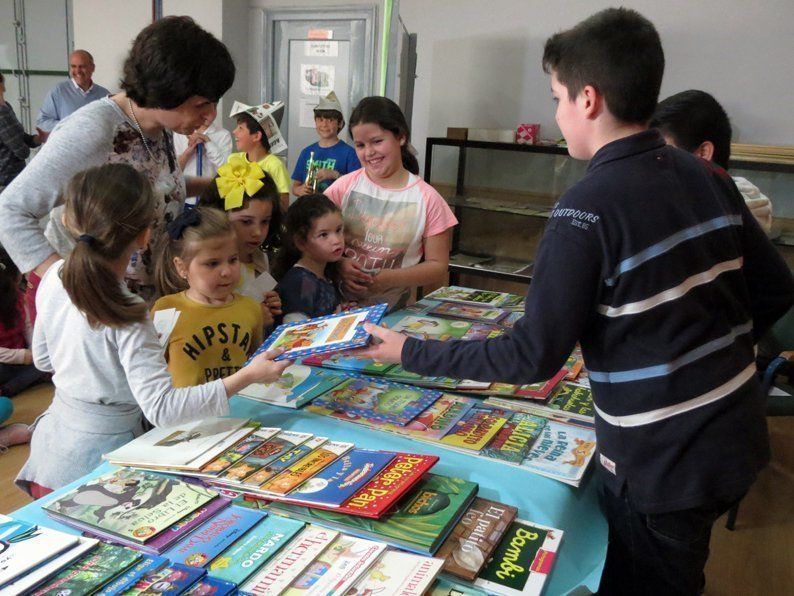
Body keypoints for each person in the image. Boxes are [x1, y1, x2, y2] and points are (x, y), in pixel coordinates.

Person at [355, 8, 794, 595]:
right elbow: (773, 288)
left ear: (588, 99)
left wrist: (411, 351)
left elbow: (531, 356)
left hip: (660, 461)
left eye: (557, 96)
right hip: (733, 433)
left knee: (650, 578)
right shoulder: (705, 175)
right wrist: (703, 355)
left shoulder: (584, 209)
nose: (556, 112)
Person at [17, 164, 290, 497]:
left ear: (68, 220)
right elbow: (162, 409)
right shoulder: (128, 311)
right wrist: (247, 376)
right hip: (96, 468)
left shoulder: (55, 275)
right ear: (146, 235)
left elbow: (45, 360)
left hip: (51, 452)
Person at [0, 16, 235, 304]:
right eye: (201, 104)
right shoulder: (95, 130)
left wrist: (218, 184)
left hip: (144, 304)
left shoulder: (158, 126)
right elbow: (9, 210)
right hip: (100, 314)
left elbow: (154, 189)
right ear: (164, 92)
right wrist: (65, 286)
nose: (209, 115)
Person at [324, 96, 457, 311]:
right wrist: (339, 265)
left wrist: (389, 278)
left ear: (401, 136)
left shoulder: (428, 200)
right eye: (360, 145)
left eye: (377, 141)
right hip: (333, 312)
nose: (369, 152)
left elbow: (438, 266)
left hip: (393, 314)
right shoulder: (342, 188)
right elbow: (308, 239)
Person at [153, 207, 264, 388]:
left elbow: (255, 364)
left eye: (233, 259)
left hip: (239, 412)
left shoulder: (252, 308)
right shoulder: (166, 309)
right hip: (187, 414)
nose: (227, 271)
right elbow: (151, 375)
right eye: (212, 263)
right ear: (181, 267)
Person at [651, 90, 773, 232]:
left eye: (661, 154)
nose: (649, 165)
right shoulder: (739, 205)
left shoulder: (707, 222)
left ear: (703, 153)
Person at [200, 155, 283, 326]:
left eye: (265, 221)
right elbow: (208, 318)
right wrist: (253, 316)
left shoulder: (260, 258)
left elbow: (254, 299)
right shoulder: (211, 267)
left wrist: (269, 302)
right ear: (219, 215)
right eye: (246, 222)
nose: (258, 232)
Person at [273, 194, 346, 322]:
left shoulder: (325, 271)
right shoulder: (302, 281)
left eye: (339, 230)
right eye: (324, 235)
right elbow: (295, 328)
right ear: (301, 242)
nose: (336, 240)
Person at [0, 247, 49, 398]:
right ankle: (10, 388)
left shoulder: (19, 299)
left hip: (27, 360)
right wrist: (23, 355)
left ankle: (9, 388)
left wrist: (34, 350)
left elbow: (29, 328)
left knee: (48, 361)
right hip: (9, 362)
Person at [291, 91, 360, 196]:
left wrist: (335, 175)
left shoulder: (350, 153)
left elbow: (356, 187)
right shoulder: (306, 152)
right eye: (320, 119)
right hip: (310, 209)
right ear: (315, 122)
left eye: (330, 120)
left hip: (335, 209)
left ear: (340, 123)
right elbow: (295, 187)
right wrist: (300, 190)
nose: (324, 124)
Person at [229, 101, 291, 212]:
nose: (234, 132)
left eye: (240, 128)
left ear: (257, 136)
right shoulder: (233, 160)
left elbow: (283, 206)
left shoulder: (275, 165)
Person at [36, 50, 110, 133]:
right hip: (67, 145)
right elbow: (42, 122)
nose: (78, 71)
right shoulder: (59, 91)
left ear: (93, 68)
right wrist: (70, 126)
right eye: (73, 66)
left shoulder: (104, 95)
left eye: (82, 66)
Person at [0, 71, 44, 188]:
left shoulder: (6, 106)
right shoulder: (2, 113)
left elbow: (20, 136)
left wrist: (38, 138)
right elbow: (22, 152)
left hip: (14, 178)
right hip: (6, 180)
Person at [173, 116, 233, 182]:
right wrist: (188, 153)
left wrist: (208, 142)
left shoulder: (223, 135)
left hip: (211, 189)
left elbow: (225, 170)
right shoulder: (180, 133)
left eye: (214, 107)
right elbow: (172, 172)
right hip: (186, 188)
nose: (210, 113)